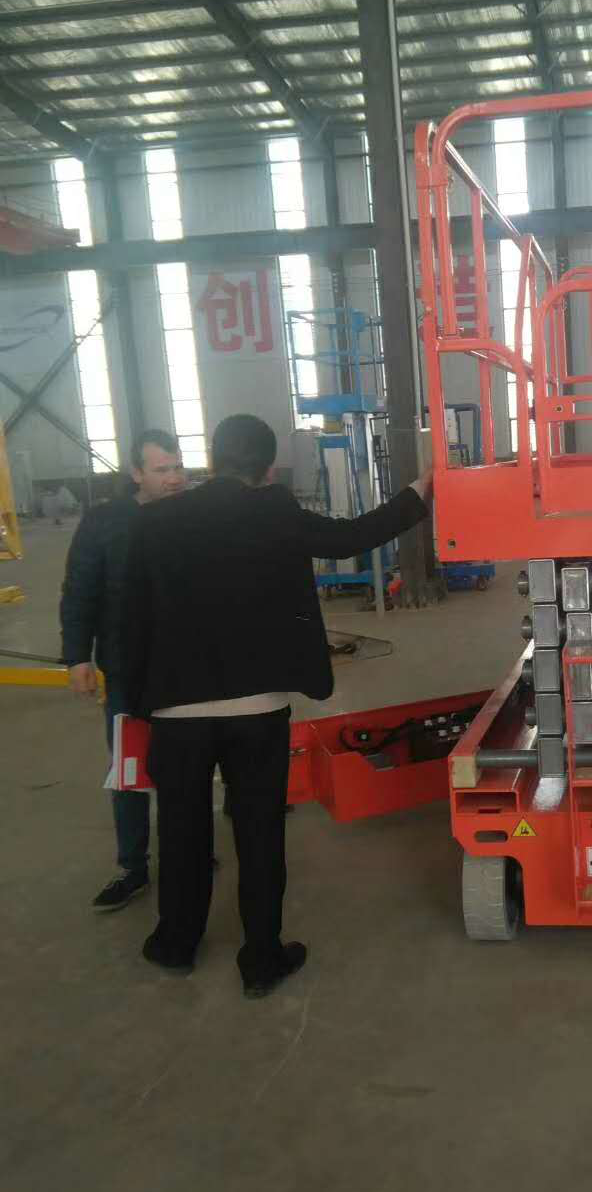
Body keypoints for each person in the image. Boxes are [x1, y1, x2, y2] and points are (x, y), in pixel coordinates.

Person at [123, 413, 433, 999]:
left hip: (175, 713)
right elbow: (353, 537)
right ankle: (262, 959)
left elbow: (128, 617)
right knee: (259, 832)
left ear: (212, 458)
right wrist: (420, 491)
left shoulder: (154, 522)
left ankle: (175, 943)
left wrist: (132, 699)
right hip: (257, 708)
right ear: (268, 468)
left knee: (183, 832)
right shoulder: (276, 512)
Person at [60, 430, 187, 911]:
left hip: (185, 670)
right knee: (131, 770)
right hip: (128, 673)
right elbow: (80, 591)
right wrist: (77, 657)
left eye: (178, 467)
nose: (174, 478)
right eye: (161, 469)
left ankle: (187, 850)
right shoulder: (105, 523)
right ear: (136, 473)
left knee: (185, 767)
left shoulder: (192, 517)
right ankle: (133, 866)